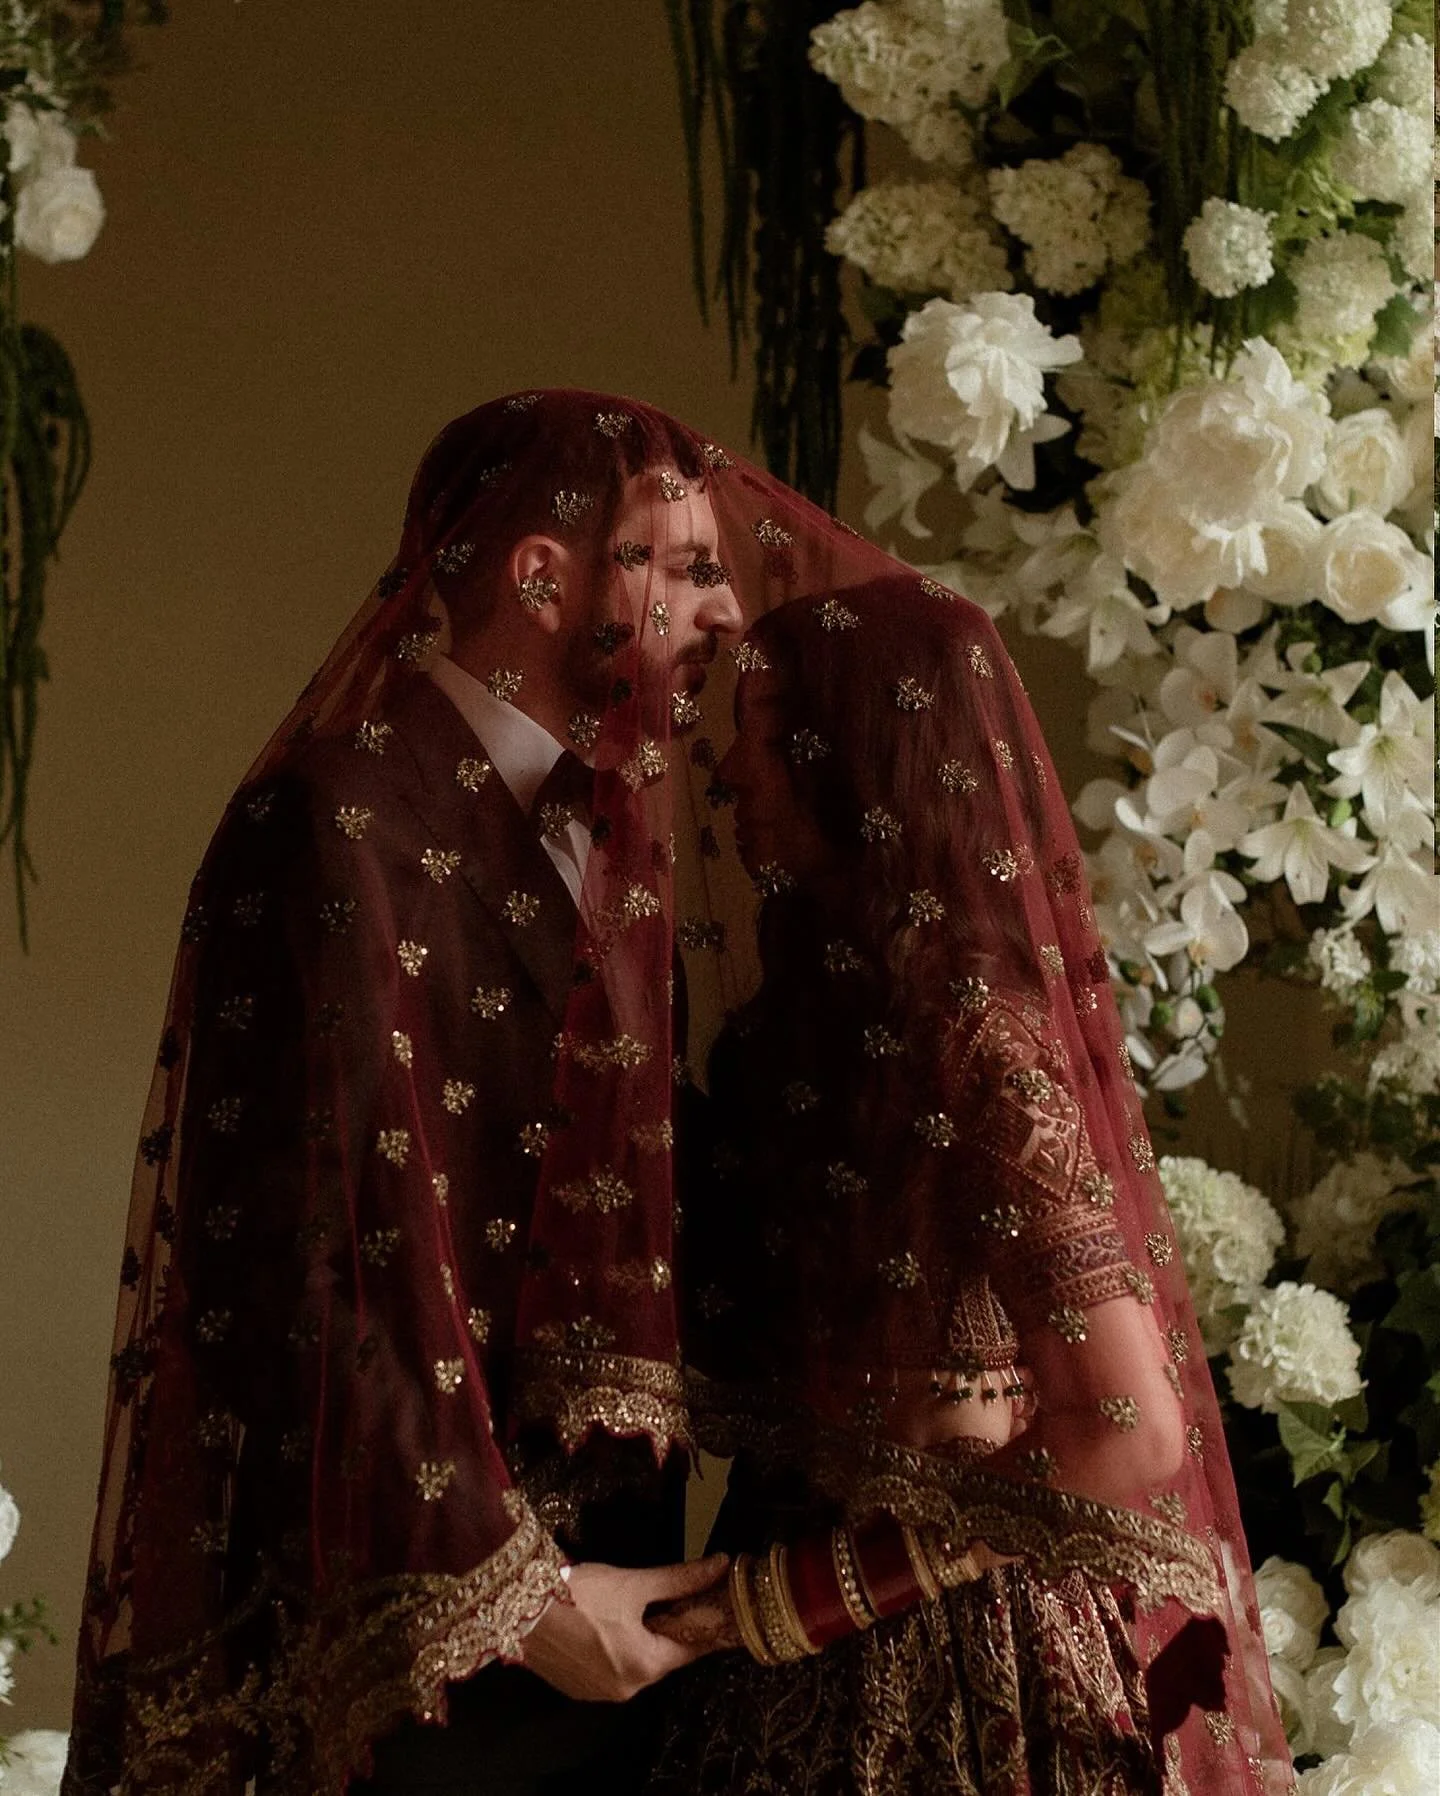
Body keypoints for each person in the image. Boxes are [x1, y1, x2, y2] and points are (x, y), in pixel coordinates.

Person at [62, 391, 751, 1796]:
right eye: (680, 566)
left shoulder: (616, 820)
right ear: (542, 576)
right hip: (421, 1645)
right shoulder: (335, 816)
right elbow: (312, 1262)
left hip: (621, 1607)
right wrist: (531, 1607)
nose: (727, 610)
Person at [646, 578, 1296, 1794]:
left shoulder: (975, 1040)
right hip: (759, 1626)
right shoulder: (793, 1034)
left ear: (871, 764)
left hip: (961, 1652)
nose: (729, 770)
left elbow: (1127, 1430)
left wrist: (809, 1593)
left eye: (772, 733)